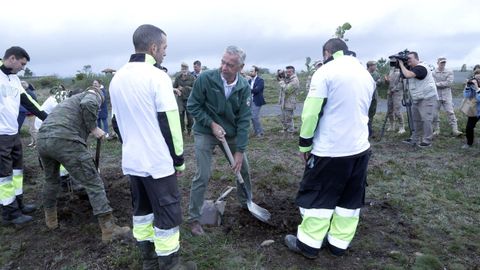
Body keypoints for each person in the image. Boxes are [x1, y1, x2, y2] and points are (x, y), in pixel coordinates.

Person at [109, 24, 196, 270]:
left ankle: (148, 261)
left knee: (143, 211)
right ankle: (170, 265)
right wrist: (178, 159)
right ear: (154, 47)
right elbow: (170, 123)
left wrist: (132, 145)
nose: (166, 53)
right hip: (158, 163)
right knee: (167, 214)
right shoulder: (158, 76)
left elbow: (115, 122)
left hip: (132, 161)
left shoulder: (117, 77)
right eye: (165, 47)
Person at [284, 38, 374, 258]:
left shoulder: (325, 72)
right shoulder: (365, 73)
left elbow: (311, 112)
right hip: (360, 149)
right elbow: (368, 111)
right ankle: (338, 244)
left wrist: (304, 144)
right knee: (349, 201)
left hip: (331, 150)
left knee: (318, 200)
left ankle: (308, 244)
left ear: (327, 52)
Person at [37, 86, 130, 243]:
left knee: (51, 181)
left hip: (43, 141)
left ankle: (51, 221)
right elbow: (89, 104)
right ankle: (109, 229)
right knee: (93, 183)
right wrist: (94, 128)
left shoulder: (69, 102)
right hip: (65, 141)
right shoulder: (92, 95)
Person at [186, 45, 252, 237]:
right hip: (205, 131)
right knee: (203, 175)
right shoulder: (206, 79)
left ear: (240, 67)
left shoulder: (243, 87)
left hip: (230, 134)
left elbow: (244, 120)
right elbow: (192, 105)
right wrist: (211, 123)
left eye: (230, 65)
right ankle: (195, 218)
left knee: (244, 169)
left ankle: (246, 203)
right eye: (223, 62)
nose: (224, 67)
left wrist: (239, 151)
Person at [0, 46, 48, 225]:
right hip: (0, 136)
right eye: (22, 64)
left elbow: (28, 101)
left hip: (14, 134)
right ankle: (9, 213)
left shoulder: (14, 79)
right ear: (12, 58)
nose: (23, 67)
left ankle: (18, 203)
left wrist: (47, 117)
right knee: (4, 176)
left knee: (17, 171)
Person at [399, 52, 438, 147]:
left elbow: (408, 75)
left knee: (426, 119)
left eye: (409, 58)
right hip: (417, 98)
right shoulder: (412, 68)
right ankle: (414, 139)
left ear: (416, 58)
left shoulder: (421, 68)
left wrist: (400, 64)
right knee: (416, 120)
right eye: (406, 59)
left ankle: (427, 141)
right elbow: (403, 76)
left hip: (427, 98)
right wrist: (401, 66)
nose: (407, 60)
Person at [432, 57, 462, 136]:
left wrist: (438, 84)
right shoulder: (433, 72)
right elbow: (432, 83)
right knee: (435, 113)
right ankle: (437, 129)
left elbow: (449, 83)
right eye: (441, 62)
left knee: (450, 112)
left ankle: (455, 130)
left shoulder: (449, 71)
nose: (443, 64)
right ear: (437, 63)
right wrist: (441, 84)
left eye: (444, 62)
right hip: (436, 95)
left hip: (447, 95)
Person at [173, 62, 195, 135]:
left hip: (189, 100)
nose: (184, 70)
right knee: (181, 116)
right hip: (180, 100)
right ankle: (181, 131)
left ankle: (189, 131)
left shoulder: (192, 77)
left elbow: (195, 89)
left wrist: (185, 88)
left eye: (185, 69)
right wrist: (177, 90)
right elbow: (173, 88)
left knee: (190, 118)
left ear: (188, 69)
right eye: (182, 69)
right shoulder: (178, 77)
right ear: (181, 69)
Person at [278, 65, 300, 134]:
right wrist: (280, 74)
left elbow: (287, 89)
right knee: (283, 118)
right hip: (284, 102)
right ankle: (285, 130)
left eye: (289, 72)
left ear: (293, 72)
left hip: (289, 102)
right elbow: (278, 78)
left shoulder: (295, 80)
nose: (287, 73)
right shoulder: (288, 78)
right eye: (286, 71)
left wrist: (282, 82)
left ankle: (290, 131)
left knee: (288, 118)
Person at [461, 69, 480, 148]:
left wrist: (477, 89)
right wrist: (468, 87)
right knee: (469, 127)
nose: (478, 80)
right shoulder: (472, 85)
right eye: (477, 79)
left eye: (479, 79)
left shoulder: (476, 87)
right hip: (474, 110)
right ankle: (469, 143)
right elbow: (466, 96)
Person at [384, 67, 405, 134]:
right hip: (389, 92)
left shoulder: (401, 71)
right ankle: (392, 125)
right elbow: (388, 83)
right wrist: (386, 81)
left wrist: (393, 90)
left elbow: (401, 84)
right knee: (389, 110)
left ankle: (401, 126)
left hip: (397, 93)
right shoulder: (391, 71)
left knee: (397, 111)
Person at [19, 81, 39, 147]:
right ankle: (33, 142)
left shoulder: (28, 93)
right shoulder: (28, 91)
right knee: (31, 128)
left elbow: (32, 104)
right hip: (30, 113)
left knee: (33, 129)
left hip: (32, 113)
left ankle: (37, 143)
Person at [249, 65, 266, 137]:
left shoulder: (260, 80)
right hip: (249, 101)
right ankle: (257, 131)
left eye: (252, 71)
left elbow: (256, 90)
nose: (250, 72)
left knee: (254, 116)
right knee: (251, 117)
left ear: (256, 72)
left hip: (257, 101)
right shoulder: (249, 81)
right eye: (250, 71)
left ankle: (259, 132)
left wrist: (248, 89)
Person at [367, 61, 381, 138]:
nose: (375, 67)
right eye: (374, 65)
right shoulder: (364, 73)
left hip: (374, 97)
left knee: (372, 113)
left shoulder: (376, 74)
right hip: (366, 97)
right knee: (366, 114)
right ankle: (367, 130)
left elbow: (379, 82)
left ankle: (370, 129)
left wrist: (379, 82)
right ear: (370, 66)